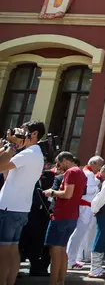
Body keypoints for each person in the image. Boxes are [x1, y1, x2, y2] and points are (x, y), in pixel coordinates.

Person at [0, 121, 46, 285]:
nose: (20, 135)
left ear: (34, 134)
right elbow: (7, 174)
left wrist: (11, 146)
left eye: (23, 132)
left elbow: (0, 165)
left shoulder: (27, 153)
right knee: (13, 248)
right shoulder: (36, 152)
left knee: (3, 250)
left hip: (9, 206)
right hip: (20, 207)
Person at [43, 151, 87, 285]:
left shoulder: (71, 172)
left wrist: (50, 192)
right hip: (72, 216)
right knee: (62, 248)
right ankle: (60, 281)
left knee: (55, 249)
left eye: (58, 163)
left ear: (64, 161)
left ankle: (54, 281)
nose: (58, 167)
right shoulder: (81, 172)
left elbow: (67, 194)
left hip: (62, 215)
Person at [67, 155, 103, 269]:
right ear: (94, 163)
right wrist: (97, 188)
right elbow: (83, 190)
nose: (99, 168)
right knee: (77, 234)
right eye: (99, 165)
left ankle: (72, 259)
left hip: (86, 207)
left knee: (80, 234)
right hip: (84, 208)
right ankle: (70, 260)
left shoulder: (89, 173)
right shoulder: (87, 174)